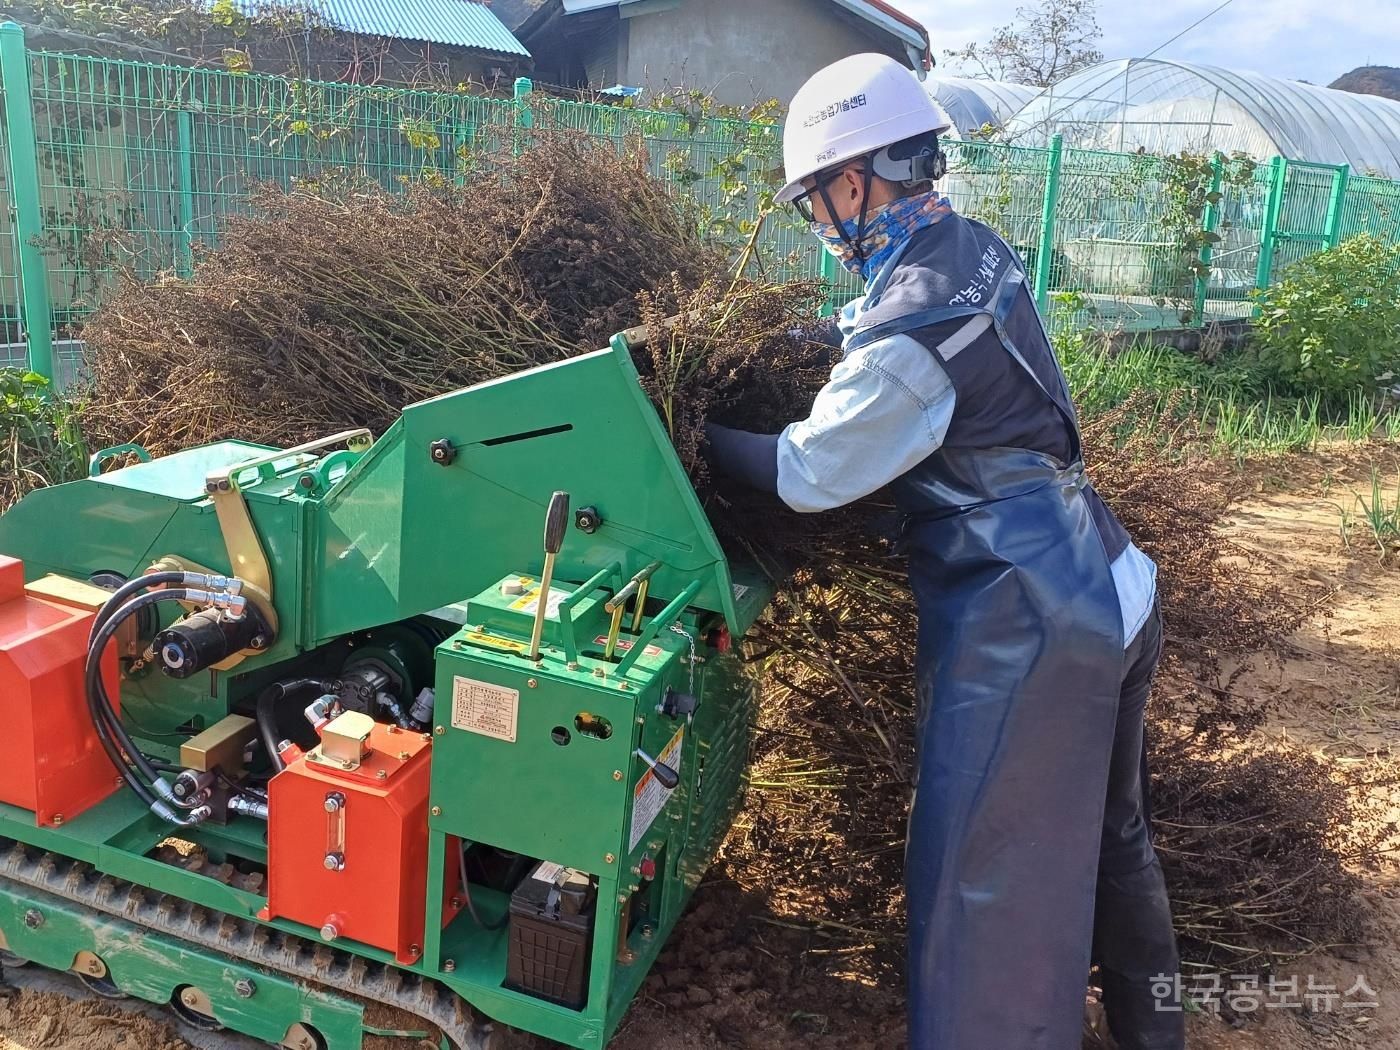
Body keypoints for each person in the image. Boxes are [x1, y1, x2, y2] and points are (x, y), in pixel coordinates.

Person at [703, 53, 1185, 1050]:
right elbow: (900, 346)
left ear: (853, 179)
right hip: (1108, 580)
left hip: (1034, 627)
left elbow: (808, 470)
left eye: (812, 202)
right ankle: (1154, 1035)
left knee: (981, 884)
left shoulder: (904, 330)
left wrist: (696, 439)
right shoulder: (967, 247)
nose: (816, 224)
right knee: (1112, 842)